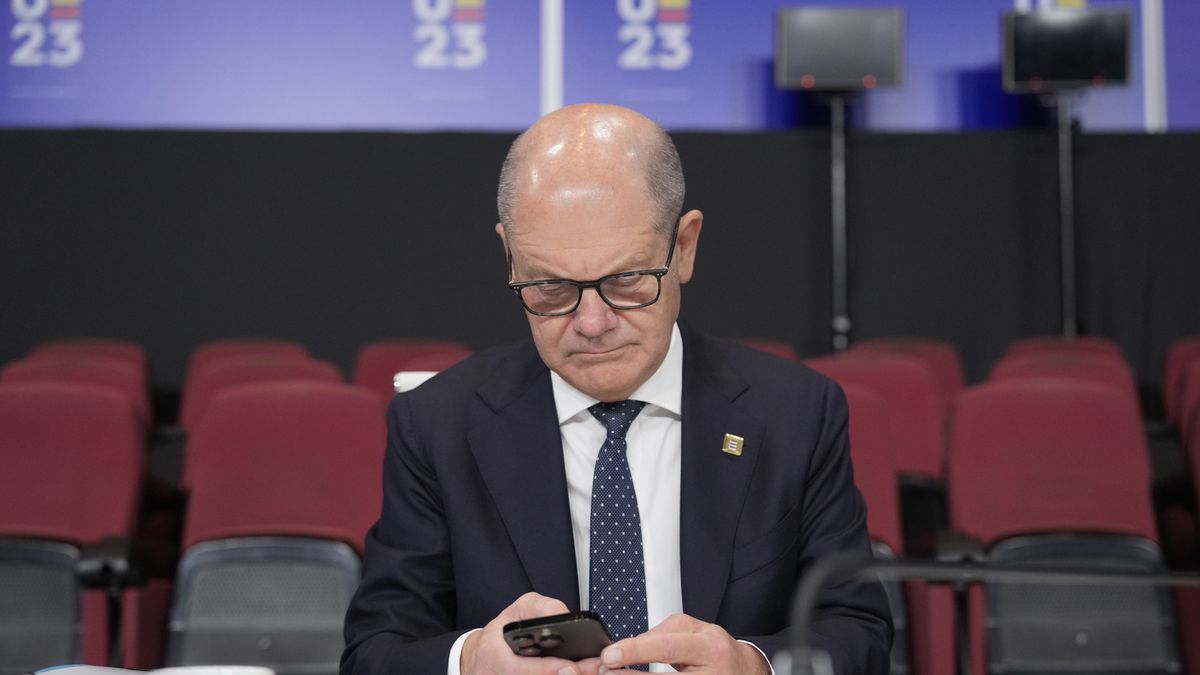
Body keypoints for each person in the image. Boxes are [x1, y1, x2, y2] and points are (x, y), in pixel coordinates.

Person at [342, 103, 891, 674]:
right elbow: (375, 652)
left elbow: (858, 632)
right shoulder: (438, 425)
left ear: (684, 247)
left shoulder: (795, 413)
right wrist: (469, 661)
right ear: (510, 256)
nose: (592, 322)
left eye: (626, 280)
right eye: (550, 286)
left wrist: (756, 667)